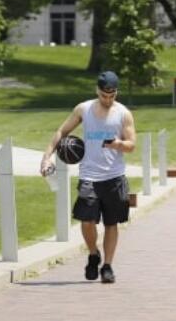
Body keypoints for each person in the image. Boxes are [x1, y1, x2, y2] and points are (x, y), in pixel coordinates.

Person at [40, 71, 136, 284]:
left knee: (112, 223)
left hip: (114, 177)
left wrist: (118, 144)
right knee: (86, 220)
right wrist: (47, 158)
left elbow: (132, 144)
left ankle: (108, 266)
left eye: (112, 96)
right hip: (89, 176)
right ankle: (93, 253)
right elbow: (61, 132)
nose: (108, 100)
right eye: (104, 95)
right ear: (97, 91)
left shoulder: (123, 113)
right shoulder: (84, 109)